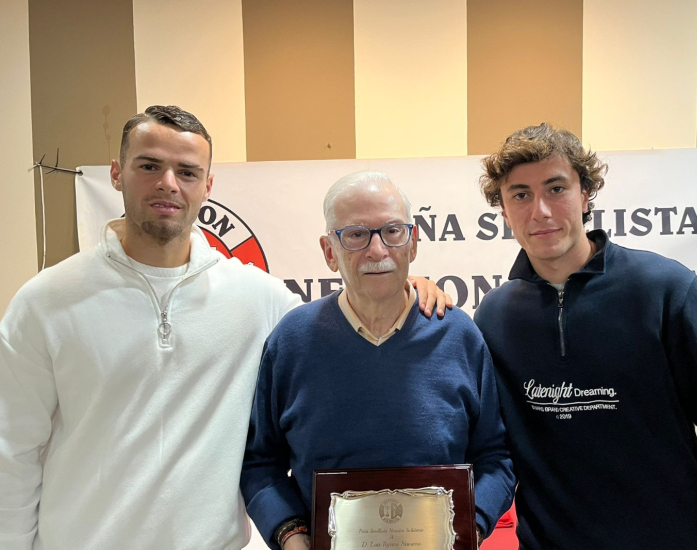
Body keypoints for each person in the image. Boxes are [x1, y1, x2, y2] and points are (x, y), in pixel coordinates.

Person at [0, 106, 448, 550]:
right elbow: (11, 454)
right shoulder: (45, 302)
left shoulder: (258, 297)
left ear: (208, 186)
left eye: (188, 172)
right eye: (150, 166)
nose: (169, 183)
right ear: (117, 173)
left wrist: (401, 285)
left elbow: (348, 318)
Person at [473, 123, 697, 550]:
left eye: (556, 188)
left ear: (585, 195)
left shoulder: (665, 290)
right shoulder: (494, 317)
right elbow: (489, 447)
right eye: (520, 194)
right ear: (503, 210)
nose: (539, 210)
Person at [241, 170, 515, 550]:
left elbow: (496, 458)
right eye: (355, 234)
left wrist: (472, 528)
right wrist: (291, 535)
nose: (377, 250)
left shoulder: (458, 336)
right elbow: (259, 464)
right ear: (328, 251)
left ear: (413, 242)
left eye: (392, 231)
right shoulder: (292, 341)